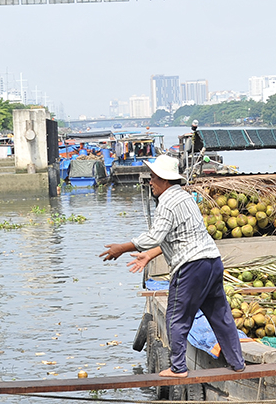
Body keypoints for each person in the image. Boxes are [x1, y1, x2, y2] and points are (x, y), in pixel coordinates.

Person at [100, 155, 245, 378]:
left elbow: (154, 235)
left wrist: (122, 247)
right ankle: (237, 362)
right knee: (220, 315)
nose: (150, 182)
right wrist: (148, 255)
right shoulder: (186, 198)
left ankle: (178, 368)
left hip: (191, 267)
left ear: (165, 181)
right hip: (212, 262)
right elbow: (180, 236)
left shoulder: (167, 202)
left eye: (154, 178)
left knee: (176, 316)